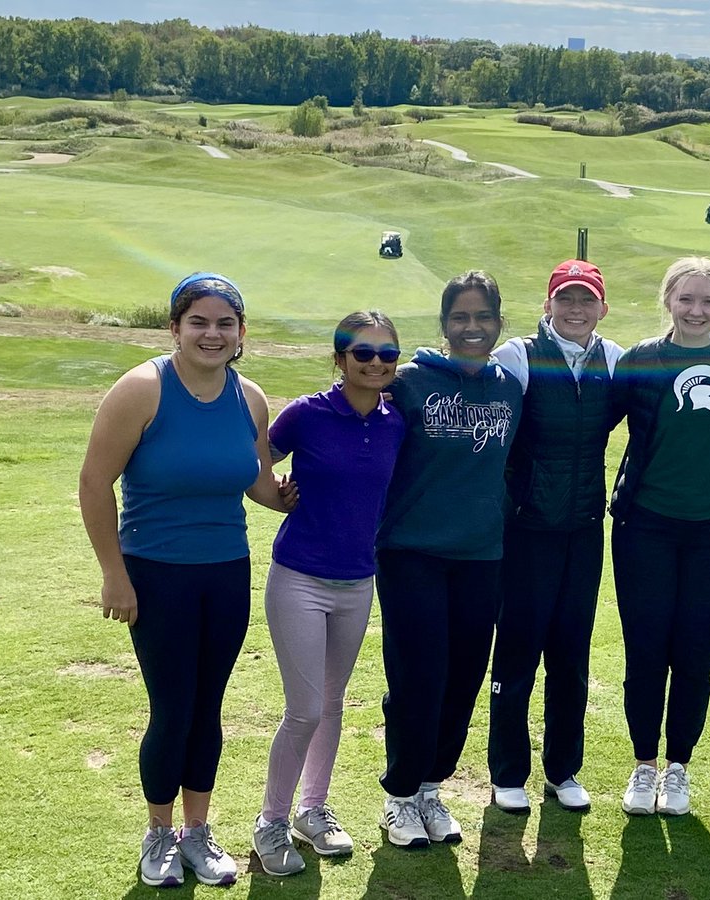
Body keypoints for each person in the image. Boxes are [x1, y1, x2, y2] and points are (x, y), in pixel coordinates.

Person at [79, 272, 294, 888]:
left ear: (241, 332)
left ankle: (197, 832)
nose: (212, 334)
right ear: (175, 328)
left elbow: (257, 483)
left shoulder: (250, 397)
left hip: (225, 573)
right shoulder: (142, 389)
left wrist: (300, 495)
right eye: (198, 321)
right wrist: (114, 575)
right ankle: (159, 834)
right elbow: (94, 483)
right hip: (156, 575)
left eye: (225, 323)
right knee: (173, 708)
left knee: (208, 707)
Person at [251, 312, 406, 876]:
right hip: (299, 577)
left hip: (358, 582)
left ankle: (311, 810)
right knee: (305, 709)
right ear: (339, 359)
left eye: (387, 354)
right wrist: (272, 496)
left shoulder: (395, 421)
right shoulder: (307, 414)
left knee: (333, 703)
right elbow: (253, 461)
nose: (375, 363)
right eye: (362, 353)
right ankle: (270, 821)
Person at [374, 270, 523, 847]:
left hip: (482, 554)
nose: (472, 327)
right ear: (443, 324)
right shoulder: (408, 382)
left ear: (499, 323)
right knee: (419, 675)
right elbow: (356, 427)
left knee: (464, 677)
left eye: (483, 316)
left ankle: (431, 789)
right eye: (460, 317)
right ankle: (400, 796)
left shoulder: (509, 388)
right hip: (411, 551)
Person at [610, 256, 710, 816]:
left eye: (708, 301)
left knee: (696, 653)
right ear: (668, 300)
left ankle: (678, 769)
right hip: (646, 525)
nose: (696, 310)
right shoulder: (641, 359)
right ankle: (644, 765)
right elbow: (592, 423)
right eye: (686, 298)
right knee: (646, 649)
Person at [486, 260, 624, 814]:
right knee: (518, 651)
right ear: (547, 305)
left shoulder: (615, 360)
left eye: (586, 299)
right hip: (525, 530)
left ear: (602, 308)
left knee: (571, 653)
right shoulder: (517, 357)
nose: (575, 309)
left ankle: (563, 770)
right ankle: (507, 772)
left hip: (584, 529)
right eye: (565, 298)